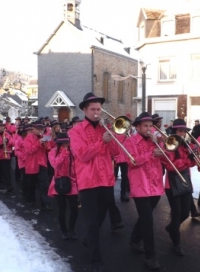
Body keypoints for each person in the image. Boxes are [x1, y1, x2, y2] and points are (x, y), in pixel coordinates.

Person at [68, 92, 120, 272]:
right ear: (84, 110)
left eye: (99, 109)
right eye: (93, 109)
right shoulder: (75, 131)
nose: (97, 112)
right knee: (91, 221)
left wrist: (114, 135)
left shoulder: (105, 129)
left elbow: (115, 152)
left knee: (101, 218)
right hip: (88, 181)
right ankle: (95, 260)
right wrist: (101, 142)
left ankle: (87, 240)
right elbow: (82, 154)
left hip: (105, 179)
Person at [123, 112, 165, 270]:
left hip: (155, 185)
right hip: (140, 186)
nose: (149, 129)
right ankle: (151, 256)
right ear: (138, 127)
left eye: (151, 126)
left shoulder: (156, 140)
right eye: (145, 126)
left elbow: (166, 158)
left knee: (144, 217)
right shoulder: (130, 142)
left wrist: (161, 145)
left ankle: (134, 239)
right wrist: (150, 153)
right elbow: (132, 161)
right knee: (148, 220)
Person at [164, 119, 196, 256]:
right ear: (174, 131)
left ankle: (172, 228)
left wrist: (194, 158)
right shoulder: (168, 144)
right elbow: (170, 166)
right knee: (176, 213)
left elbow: (191, 165)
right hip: (171, 184)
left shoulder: (185, 145)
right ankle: (176, 243)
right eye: (179, 131)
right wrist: (187, 161)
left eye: (184, 131)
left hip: (185, 181)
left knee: (185, 213)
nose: (182, 133)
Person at [48, 132, 79, 240]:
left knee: (74, 208)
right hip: (59, 182)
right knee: (62, 209)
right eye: (63, 144)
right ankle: (63, 231)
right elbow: (55, 165)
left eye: (67, 143)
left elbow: (78, 166)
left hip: (72, 182)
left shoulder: (72, 152)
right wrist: (63, 154)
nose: (66, 145)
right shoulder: (52, 152)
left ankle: (71, 229)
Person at [23, 120, 52, 210]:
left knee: (44, 184)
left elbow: (48, 149)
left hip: (42, 163)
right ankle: (31, 200)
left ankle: (45, 203)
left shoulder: (43, 137)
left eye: (41, 129)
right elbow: (29, 150)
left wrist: (46, 144)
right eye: (39, 129)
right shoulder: (28, 138)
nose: (40, 131)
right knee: (31, 184)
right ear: (33, 129)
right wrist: (38, 143)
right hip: (32, 164)